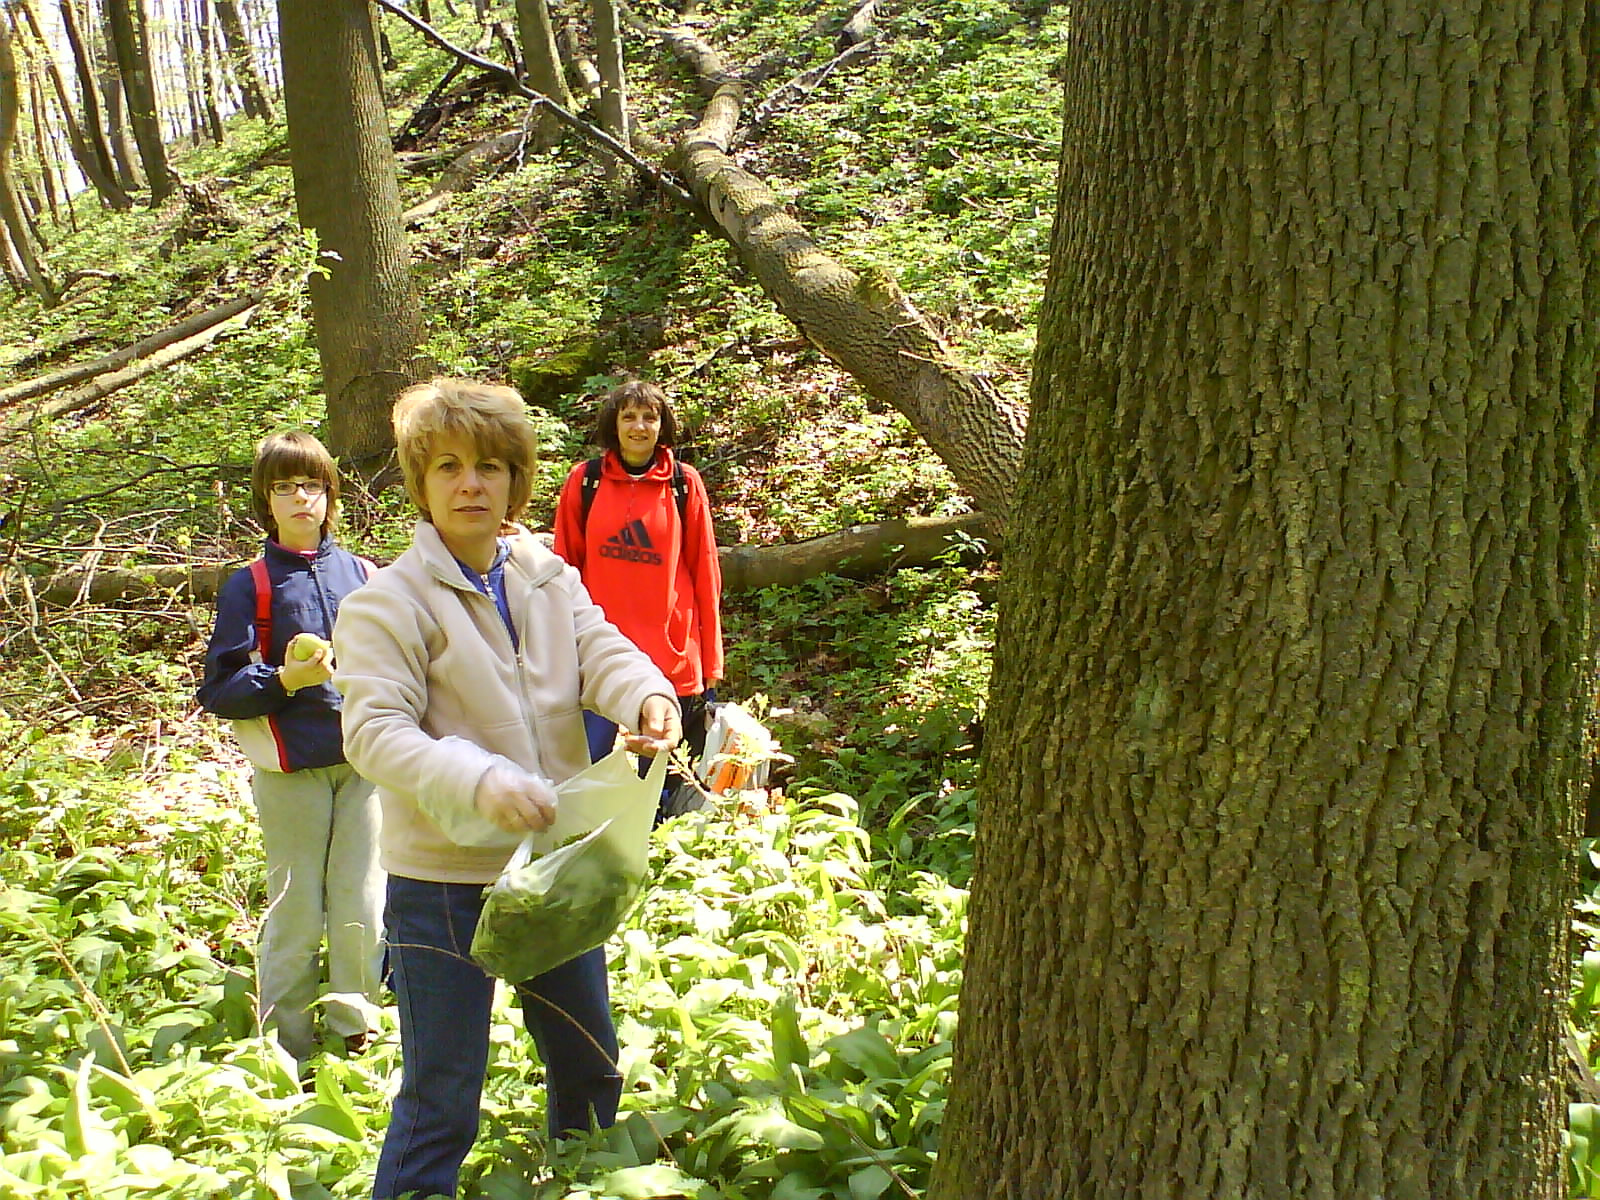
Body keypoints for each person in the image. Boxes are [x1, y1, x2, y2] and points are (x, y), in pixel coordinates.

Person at [331, 377, 681, 1200]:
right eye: (448, 466)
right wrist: (481, 779)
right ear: (420, 484)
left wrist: (649, 695)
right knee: (442, 1095)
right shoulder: (389, 603)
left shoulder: (543, 573)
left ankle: (587, 1182)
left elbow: (601, 649)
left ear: (517, 482)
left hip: (553, 870)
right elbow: (375, 731)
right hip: (442, 886)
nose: (470, 484)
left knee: (589, 1065)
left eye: (490, 467)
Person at [196, 431, 383, 1063]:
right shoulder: (249, 586)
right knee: (297, 909)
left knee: (363, 904)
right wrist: (286, 679)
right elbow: (219, 690)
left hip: (364, 766)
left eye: (312, 485)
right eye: (285, 487)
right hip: (291, 772)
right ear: (267, 501)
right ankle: (286, 1052)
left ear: (331, 495)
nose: (301, 498)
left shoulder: (363, 574)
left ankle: (359, 1041)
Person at [552, 379, 722, 814]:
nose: (639, 426)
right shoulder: (584, 482)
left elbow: (705, 572)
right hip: (597, 659)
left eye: (650, 417)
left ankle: (659, 860)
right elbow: (561, 570)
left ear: (663, 426)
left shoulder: (684, 485)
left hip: (670, 656)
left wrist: (711, 660)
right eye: (629, 416)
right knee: (591, 774)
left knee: (660, 782)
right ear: (615, 424)